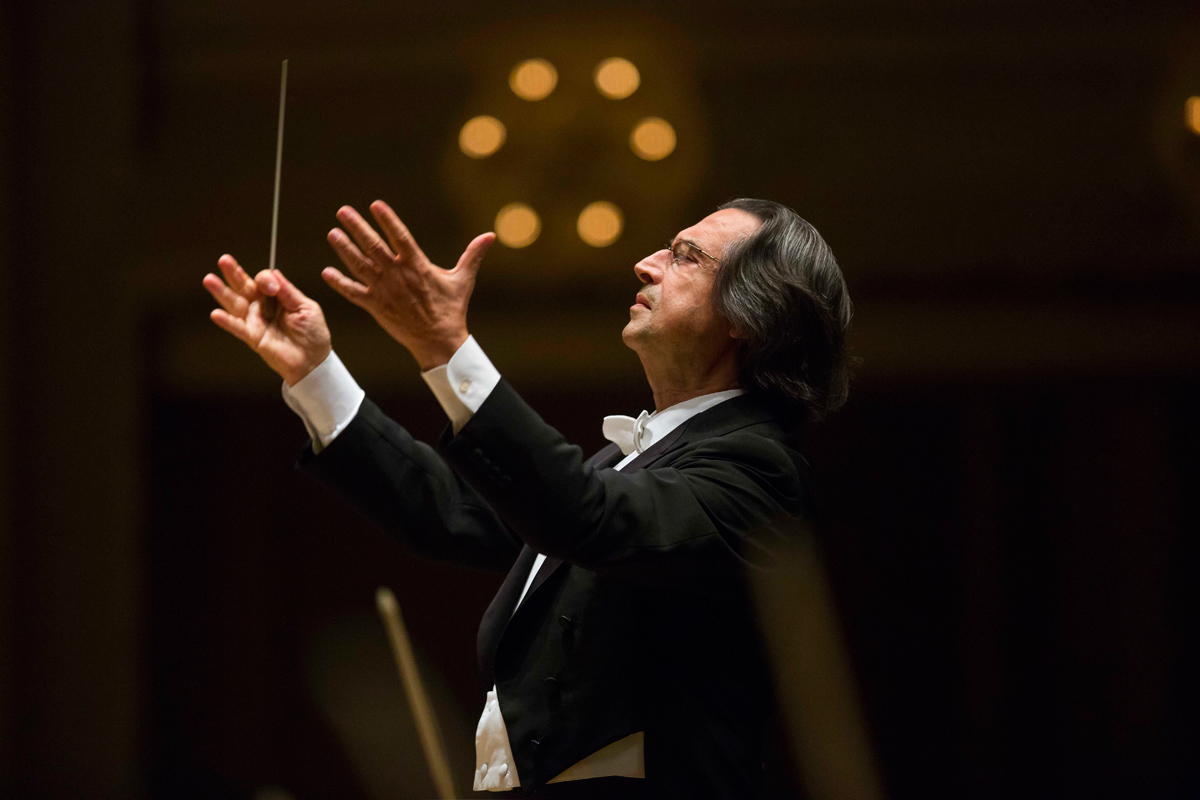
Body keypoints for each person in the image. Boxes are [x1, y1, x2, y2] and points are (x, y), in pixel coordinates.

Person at [202, 197, 852, 799]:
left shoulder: (760, 472)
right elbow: (452, 512)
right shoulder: (625, 464)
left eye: (685, 255)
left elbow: (586, 516)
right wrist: (314, 373)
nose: (647, 262)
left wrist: (443, 347)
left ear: (751, 311)